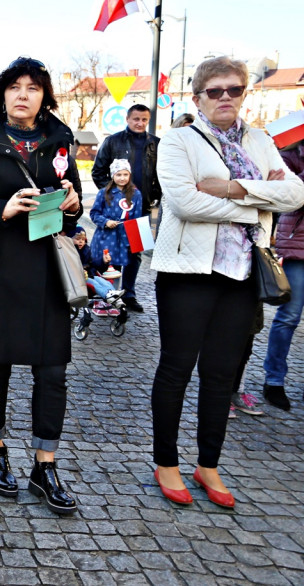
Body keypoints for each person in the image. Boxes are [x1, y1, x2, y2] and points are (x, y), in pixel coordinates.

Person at [150, 56, 304, 509]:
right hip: (188, 273)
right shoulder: (178, 140)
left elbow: (296, 193)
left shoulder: (259, 139)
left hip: (243, 272)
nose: (224, 98)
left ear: (243, 94)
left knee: (221, 374)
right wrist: (260, 200)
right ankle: (166, 461)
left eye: (233, 90)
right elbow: (184, 203)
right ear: (197, 97)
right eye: (214, 91)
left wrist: (232, 189)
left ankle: (209, 463)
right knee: (176, 369)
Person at [0, 57, 83, 515]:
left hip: (47, 270)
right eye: (14, 86)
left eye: (32, 87)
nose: (23, 94)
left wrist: (71, 202)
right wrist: (3, 208)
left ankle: (44, 464)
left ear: (44, 96)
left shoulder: (60, 140)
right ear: (2, 95)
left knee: (51, 369)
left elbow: (75, 202)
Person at [91, 104, 160, 312]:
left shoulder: (156, 144)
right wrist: (112, 196)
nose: (140, 123)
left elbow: (162, 175)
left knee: (135, 252)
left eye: (144, 120)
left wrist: (153, 196)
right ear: (128, 119)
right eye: (136, 119)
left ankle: (129, 294)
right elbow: (98, 171)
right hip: (114, 213)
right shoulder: (112, 141)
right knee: (108, 251)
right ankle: (104, 292)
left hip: (142, 209)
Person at [263, 142, 304, 411]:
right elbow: (286, 196)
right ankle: (274, 381)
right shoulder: (291, 156)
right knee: (289, 317)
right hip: (299, 249)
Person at [88, 158, 142, 274]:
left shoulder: (136, 194)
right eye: (118, 175)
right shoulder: (104, 193)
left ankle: (126, 290)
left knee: (126, 266)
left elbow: (136, 218)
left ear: (130, 175)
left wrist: (135, 240)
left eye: (125, 174)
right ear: (113, 175)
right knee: (107, 268)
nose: (122, 178)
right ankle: (107, 290)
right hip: (106, 237)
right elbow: (94, 213)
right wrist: (105, 222)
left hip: (125, 238)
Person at [72, 226, 124, 305]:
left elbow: (92, 263)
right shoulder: (71, 251)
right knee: (94, 283)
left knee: (104, 282)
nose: (81, 242)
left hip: (89, 274)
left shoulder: (86, 250)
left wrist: (103, 261)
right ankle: (107, 295)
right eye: (78, 239)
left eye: (83, 239)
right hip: (79, 278)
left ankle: (116, 298)